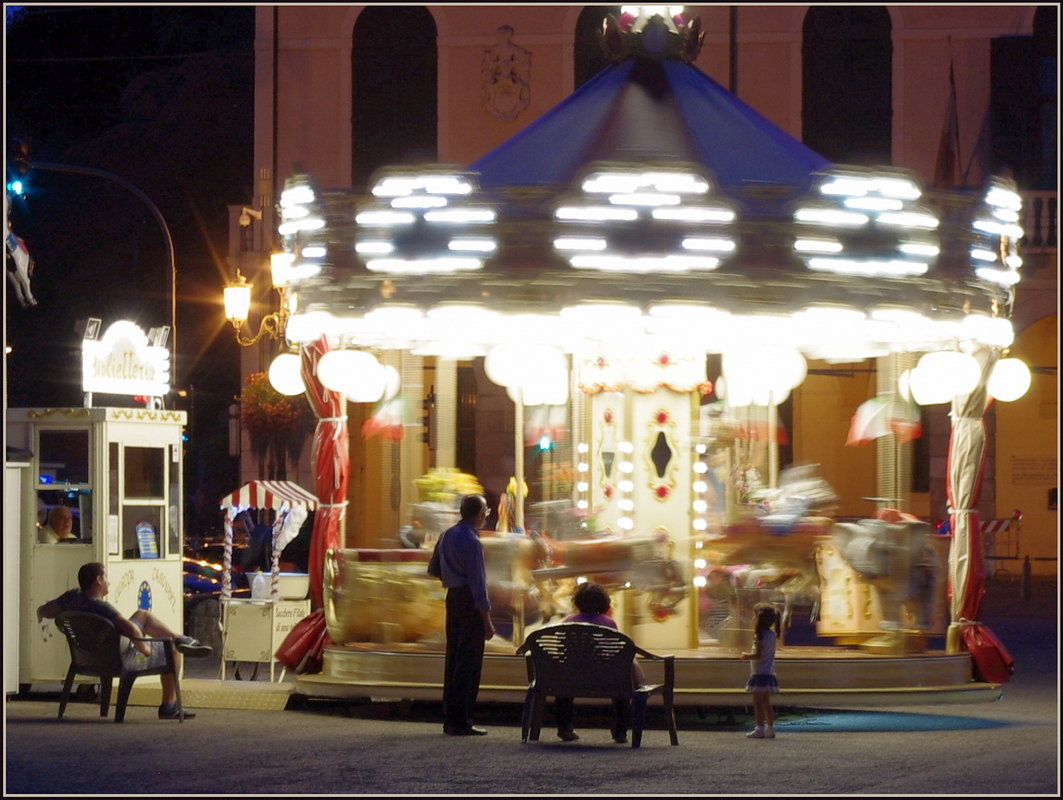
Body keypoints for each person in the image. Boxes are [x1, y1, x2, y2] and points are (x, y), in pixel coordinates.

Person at [37, 562, 212, 720]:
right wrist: (145, 649)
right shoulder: (102, 608)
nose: (109, 582)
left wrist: (40, 611)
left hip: (85, 657)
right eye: (106, 577)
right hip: (116, 659)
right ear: (98, 580)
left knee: (142, 615)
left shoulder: (71, 597)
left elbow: (46, 611)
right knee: (172, 649)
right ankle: (169, 706)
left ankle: (181, 638)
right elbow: (132, 630)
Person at [427, 494, 494, 736]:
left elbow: (433, 568)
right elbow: (479, 584)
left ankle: (450, 718)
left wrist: (451, 575)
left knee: (454, 658)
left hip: (453, 599)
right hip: (469, 602)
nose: (487, 514)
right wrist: (486, 620)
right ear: (478, 514)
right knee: (470, 662)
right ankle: (463, 719)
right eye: (486, 510)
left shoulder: (447, 535)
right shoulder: (473, 542)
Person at [553, 581, 640, 744]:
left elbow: (562, 649)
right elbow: (613, 651)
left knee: (563, 694)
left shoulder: (568, 621)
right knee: (622, 691)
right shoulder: (608, 623)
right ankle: (620, 731)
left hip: (572, 678)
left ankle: (565, 728)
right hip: (604, 678)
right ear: (604, 602)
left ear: (577, 601)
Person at [741, 602, 781, 739]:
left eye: (754, 616)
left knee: (757, 703)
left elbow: (758, 654)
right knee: (766, 702)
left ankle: (759, 728)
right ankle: (770, 728)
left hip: (759, 673)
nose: (753, 618)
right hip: (768, 671)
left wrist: (746, 656)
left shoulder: (760, 636)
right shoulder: (772, 635)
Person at [233, 510, 273, 575]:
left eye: (241, 531)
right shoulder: (238, 544)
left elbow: (247, 562)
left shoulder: (261, 535)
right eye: (236, 531)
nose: (239, 535)